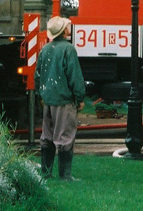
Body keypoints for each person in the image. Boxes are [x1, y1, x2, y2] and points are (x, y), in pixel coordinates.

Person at [36, 16, 86, 181]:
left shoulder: (45, 49)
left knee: (47, 137)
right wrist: (79, 98)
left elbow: (38, 75)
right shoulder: (68, 49)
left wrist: (41, 95)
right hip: (64, 100)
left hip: (48, 99)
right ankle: (65, 175)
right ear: (64, 30)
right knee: (64, 138)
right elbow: (75, 76)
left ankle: (46, 173)